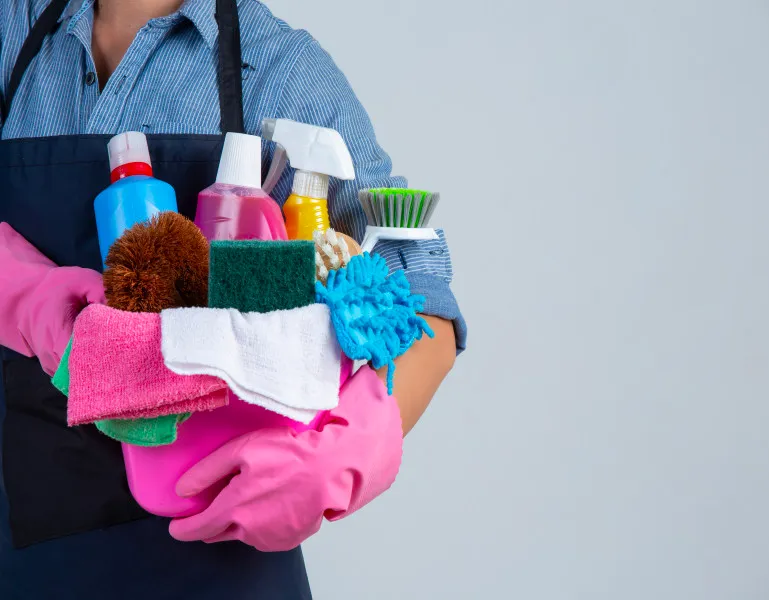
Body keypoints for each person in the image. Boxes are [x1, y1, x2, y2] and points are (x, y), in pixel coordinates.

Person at [0, 0, 466, 597]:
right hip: (27, 551)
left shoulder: (278, 68)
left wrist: (349, 450)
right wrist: (30, 297)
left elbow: (425, 308)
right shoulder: (15, 34)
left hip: (220, 558)